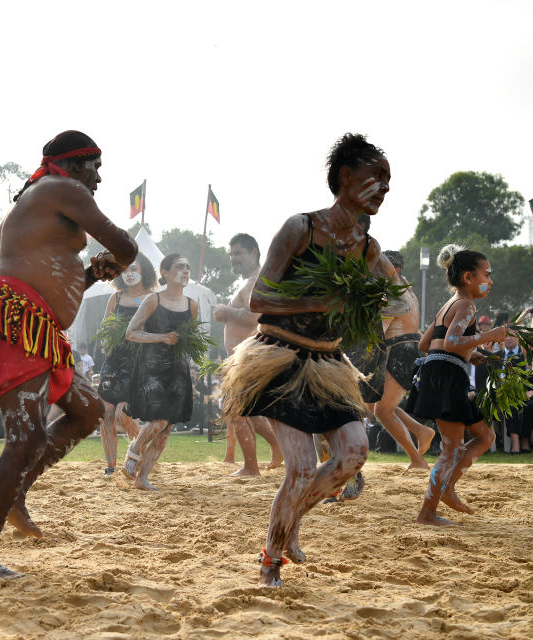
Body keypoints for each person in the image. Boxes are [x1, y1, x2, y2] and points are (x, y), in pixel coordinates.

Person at [218, 133, 393, 586]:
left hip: (329, 363)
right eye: (377, 177)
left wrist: (371, 314)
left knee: (353, 454)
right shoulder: (302, 228)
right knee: (298, 468)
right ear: (345, 176)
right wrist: (319, 304)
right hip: (279, 358)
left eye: (389, 180)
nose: (385, 188)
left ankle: (292, 521)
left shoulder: (368, 248)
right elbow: (260, 297)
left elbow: (391, 300)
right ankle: (271, 558)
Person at [0, 130, 136, 577]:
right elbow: (127, 246)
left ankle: (17, 492)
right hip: (17, 321)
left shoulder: (47, 198)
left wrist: (93, 274)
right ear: (74, 164)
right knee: (26, 440)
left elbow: (54, 275)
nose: (99, 176)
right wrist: (116, 258)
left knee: (88, 410)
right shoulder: (62, 188)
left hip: (33, 326)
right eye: (94, 165)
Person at [407, 245, 508, 526]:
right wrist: (488, 336)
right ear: (468, 277)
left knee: (485, 437)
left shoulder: (448, 304)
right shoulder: (466, 305)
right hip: (446, 378)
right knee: (452, 446)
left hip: (441, 373)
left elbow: (426, 344)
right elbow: (450, 343)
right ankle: (427, 513)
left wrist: (467, 353)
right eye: (486, 274)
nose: (490, 279)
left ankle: (448, 488)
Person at [123, 254, 198, 490]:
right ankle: (134, 449)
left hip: (178, 371)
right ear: (165, 272)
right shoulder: (152, 300)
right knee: (161, 418)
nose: (185, 271)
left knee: (167, 428)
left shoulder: (192, 305)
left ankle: (142, 478)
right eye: (179, 267)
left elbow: (192, 339)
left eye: (187, 267)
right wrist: (162, 338)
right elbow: (131, 332)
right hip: (151, 367)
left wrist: (190, 353)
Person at [214, 233, 283, 476]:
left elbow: (255, 317)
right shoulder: (253, 280)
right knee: (250, 412)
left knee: (237, 409)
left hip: (250, 357)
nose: (234, 258)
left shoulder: (256, 280)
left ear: (254, 252)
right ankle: (276, 449)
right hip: (247, 357)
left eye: (239, 253)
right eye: (231, 254)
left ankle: (250, 466)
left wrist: (226, 310)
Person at [372, 250, 435, 469]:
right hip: (409, 349)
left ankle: (417, 459)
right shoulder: (407, 289)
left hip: (401, 350)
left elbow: (382, 327)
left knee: (382, 411)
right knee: (380, 406)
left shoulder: (392, 290)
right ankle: (421, 430)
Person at [96, 255, 154, 474]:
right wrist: (108, 338)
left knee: (122, 414)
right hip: (113, 363)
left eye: (134, 268)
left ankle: (140, 450)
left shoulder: (152, 298)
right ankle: (110, 467)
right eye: (125, 269)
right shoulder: (116, 298)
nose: (129, 273)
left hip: (139, 363)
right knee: (107, 413)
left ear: (144, 271)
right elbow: (104, 328)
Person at [499, 334, 533, 453]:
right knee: (510, 403)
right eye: (525, 345)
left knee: (530, 406)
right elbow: (509, 381)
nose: (527, 348)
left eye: (531, 345)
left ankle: (525, 439)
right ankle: (515, 440)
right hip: (518, 395)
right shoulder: (513, 360)